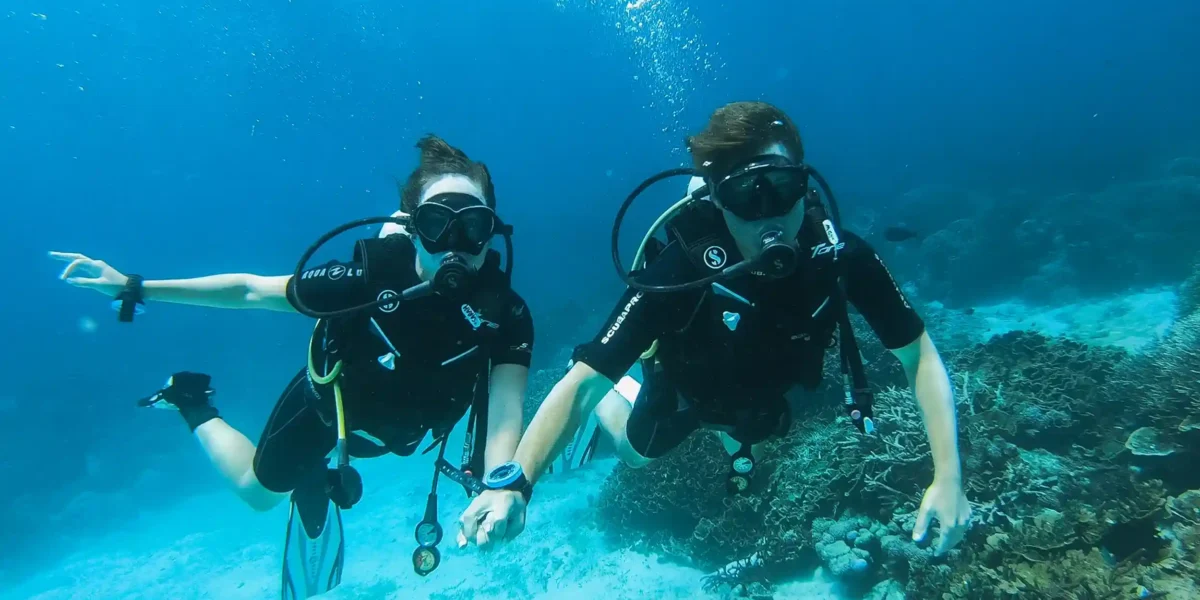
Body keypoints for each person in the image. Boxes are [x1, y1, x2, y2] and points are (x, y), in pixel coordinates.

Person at [456, 101, 971, 556]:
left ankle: (730, 431)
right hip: (685, 388)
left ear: (804, 185)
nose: (769, 215)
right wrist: (515, 484)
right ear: (717, 200)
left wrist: (948, 476)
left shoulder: (839, 256)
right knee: (637, 455)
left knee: (760, 431)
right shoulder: (680, 270)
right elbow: (583, 382)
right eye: (747, 196)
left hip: (760, 391)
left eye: (783, 188)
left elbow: (918, 354)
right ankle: (629, 389)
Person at [50, 135, 535, 592]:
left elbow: (506, 408)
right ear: (411, 228)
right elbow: (250, 289)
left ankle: (313, 477)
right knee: (258, 494)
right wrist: (136, 286)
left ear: (491, 235)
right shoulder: (364, 279)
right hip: (329, 412)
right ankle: (192, 401)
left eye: (473, 227)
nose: (455, 244)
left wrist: (499, 485)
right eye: (435, 225)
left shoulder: (505, 314)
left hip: (404, 433)